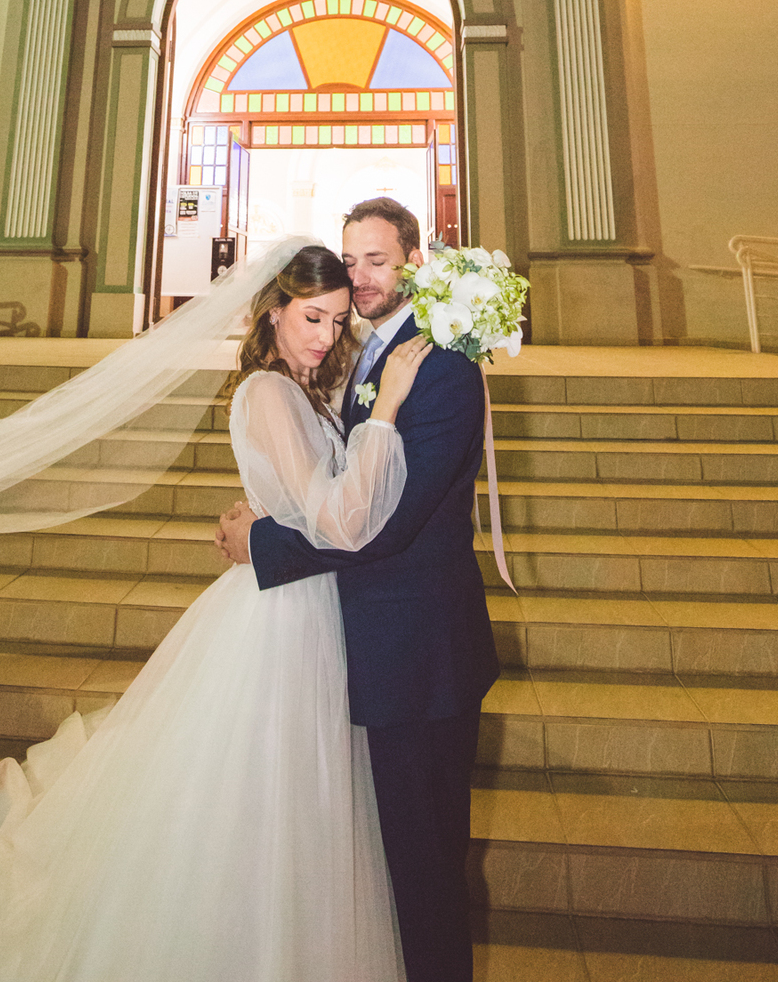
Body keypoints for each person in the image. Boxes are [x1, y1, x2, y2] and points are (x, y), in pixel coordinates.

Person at [0, 244, 431, 982]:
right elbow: (341, 523)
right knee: (259, 804)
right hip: (280, 623)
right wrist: (389, 411)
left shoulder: (302, 390)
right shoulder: (271, 393)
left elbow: (313, 507)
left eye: (337, 322)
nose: (323, 336)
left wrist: (271, 516)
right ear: (274, 310)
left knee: (284, 810)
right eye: (311, 317)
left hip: (304, 609)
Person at [218, 200, 499, 982]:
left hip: (418, 659)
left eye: (377, 260)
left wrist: (261, 541)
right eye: (351, 260)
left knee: (425, 866)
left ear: (415, 259)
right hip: (368, 650)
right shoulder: (357, 358)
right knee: (394, 861)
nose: (360, 276)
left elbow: (387, 525)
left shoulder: (436, 363)